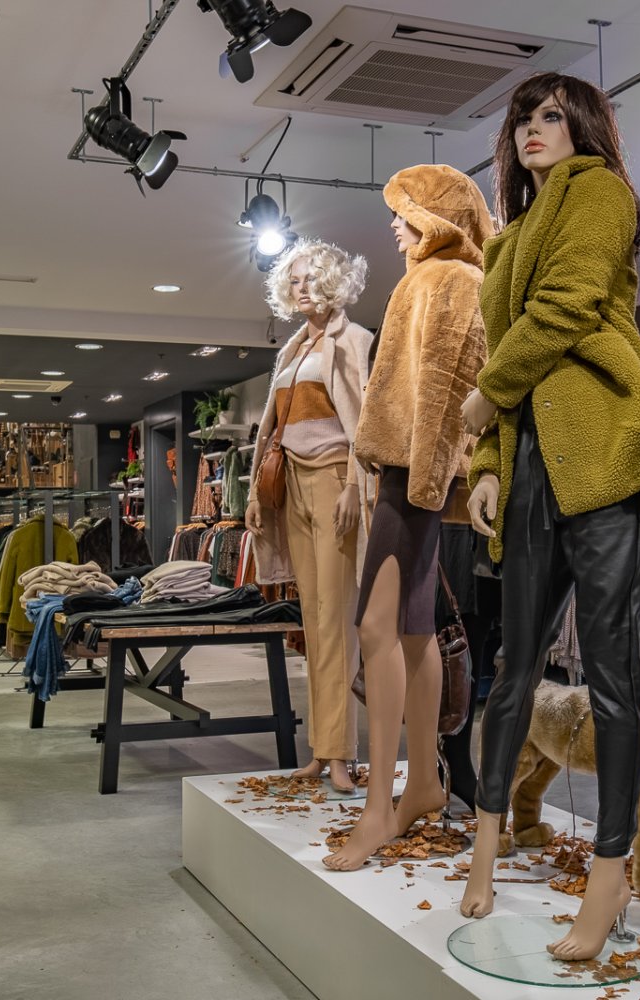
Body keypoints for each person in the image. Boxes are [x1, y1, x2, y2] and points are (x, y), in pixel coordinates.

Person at [459, 72, 640, 959]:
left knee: (611, 671)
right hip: (530, 466)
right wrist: (488, 463)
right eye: (523, 117)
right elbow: (508, 352)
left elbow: (561, 311)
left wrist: (485, 397)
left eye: (552, 115)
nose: (534, 128)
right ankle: (485, 844)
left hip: (601, 454)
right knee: (512, 667)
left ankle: (608, 876)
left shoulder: (599, 193)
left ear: (583, 126)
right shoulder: (506, 238)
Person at [322, 163, 492, 871]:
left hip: (413, 473)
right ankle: (422, 780)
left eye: (407, 211)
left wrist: (423, 479)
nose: (395, 225)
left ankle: (379, 808)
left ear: (436, 217)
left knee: (375, 626)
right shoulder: (439, 278)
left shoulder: (446, 279)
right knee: (414, 629)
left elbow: (448, 385)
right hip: (412, 470)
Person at [246, 238, 374, 795]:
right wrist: (256, 492)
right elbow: (273, 429)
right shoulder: (293, 349)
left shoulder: (355, 341)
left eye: (310, 278)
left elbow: (367, 420)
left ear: (331, 281)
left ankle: (339, 752)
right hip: (291, 484)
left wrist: (355, 483)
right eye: (293, 280)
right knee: (313, 620)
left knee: (337, 620)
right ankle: (322, 751)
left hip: (333, 480)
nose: (301, 288)